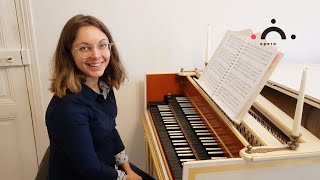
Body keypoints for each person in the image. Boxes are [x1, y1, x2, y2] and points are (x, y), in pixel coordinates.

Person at [46, 14, 153, 180]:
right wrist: (126, 177)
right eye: (84, 48)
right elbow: (90, 169)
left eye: (102, 45)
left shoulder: (103, 86)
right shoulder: (68, 108)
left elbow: (111, 131)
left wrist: (127, 168)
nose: (96, 55)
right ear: (68, 54)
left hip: (106, 167)